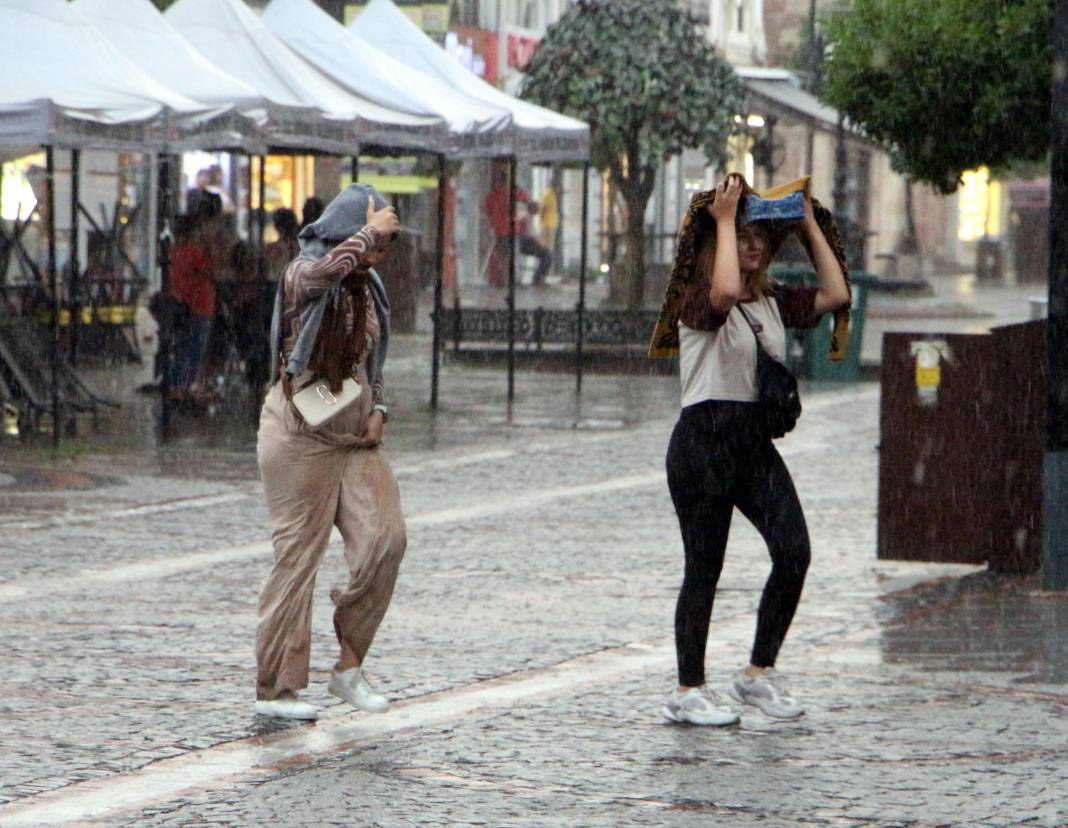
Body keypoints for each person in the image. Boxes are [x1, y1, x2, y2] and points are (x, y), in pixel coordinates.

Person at [659, 174, 850, 726]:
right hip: (702, 441)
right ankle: (688, 687)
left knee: (794, 552)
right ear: (719, 243)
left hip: (750, 442)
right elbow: (721, 295)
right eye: (744, 236)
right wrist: (722, 220)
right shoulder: (695, 298)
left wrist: (808, 225)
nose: (754, 245)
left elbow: (836, 295)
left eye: (761, 238)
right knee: (705, 568)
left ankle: (758, 673)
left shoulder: (768, 299)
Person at [254, 184, 406, 721]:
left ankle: (348, 667)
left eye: (387, 246)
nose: (379, 256)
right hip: (298, 434)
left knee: (386, 540)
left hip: (353, 435)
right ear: (348, 233)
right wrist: (366, 235)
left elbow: (374, 359)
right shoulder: (305, 269)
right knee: (297, 559)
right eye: (375, 243)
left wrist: (379, 407)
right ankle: (277, 689)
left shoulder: (371, 287)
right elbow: (321, 276)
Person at [167, 191, 223, 403]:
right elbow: (212, 271)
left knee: (184, 346)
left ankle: (179, 385)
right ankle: (182, 386)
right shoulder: (195, 252)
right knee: (194, 348)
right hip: (200, 305)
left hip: (184, 304)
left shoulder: (176, 250)